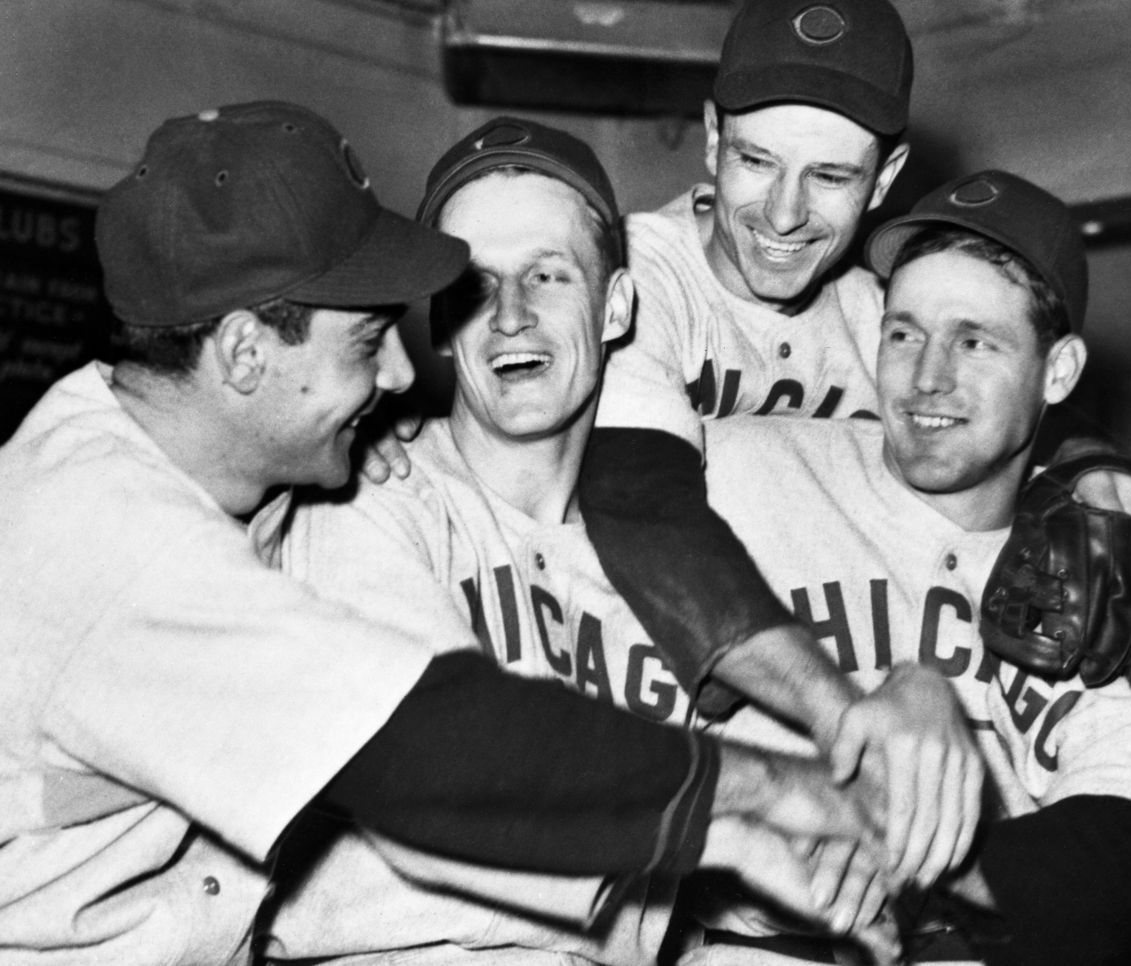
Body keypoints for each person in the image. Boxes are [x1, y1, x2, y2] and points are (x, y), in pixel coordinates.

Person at [0, 101, 890, 966]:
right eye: (365, 344)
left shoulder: (192, 469)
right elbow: (430, 756)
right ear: (242, 354)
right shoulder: (111, 537)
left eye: (548, 275)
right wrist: (756, 797)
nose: (398, 373)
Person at [562, 0, 1131, 882]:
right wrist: (846, 712)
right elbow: (639, 507)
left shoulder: (873, 316)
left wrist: (1090, 465)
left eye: (829, 176)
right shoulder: (632, 279)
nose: (783, 214)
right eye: (756, 160)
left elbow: (1003, 410)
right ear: (711, 138)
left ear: (885, 175)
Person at [270, 115, 900, 966]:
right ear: (441, 321)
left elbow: (777, 842)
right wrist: (738, 821)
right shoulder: (369, 504)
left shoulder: (676, 565)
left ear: (616, 307)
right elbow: (446, 795)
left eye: (548, 274)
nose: (511, 316)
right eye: (474, 285)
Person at [696, 170, 1131, 964]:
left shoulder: (1111, 550)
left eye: (975, 341)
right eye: (904, 334)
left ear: (1058, 372)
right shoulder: (740, 469)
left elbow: (1126, 848)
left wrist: (897, 846)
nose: (928, 376)